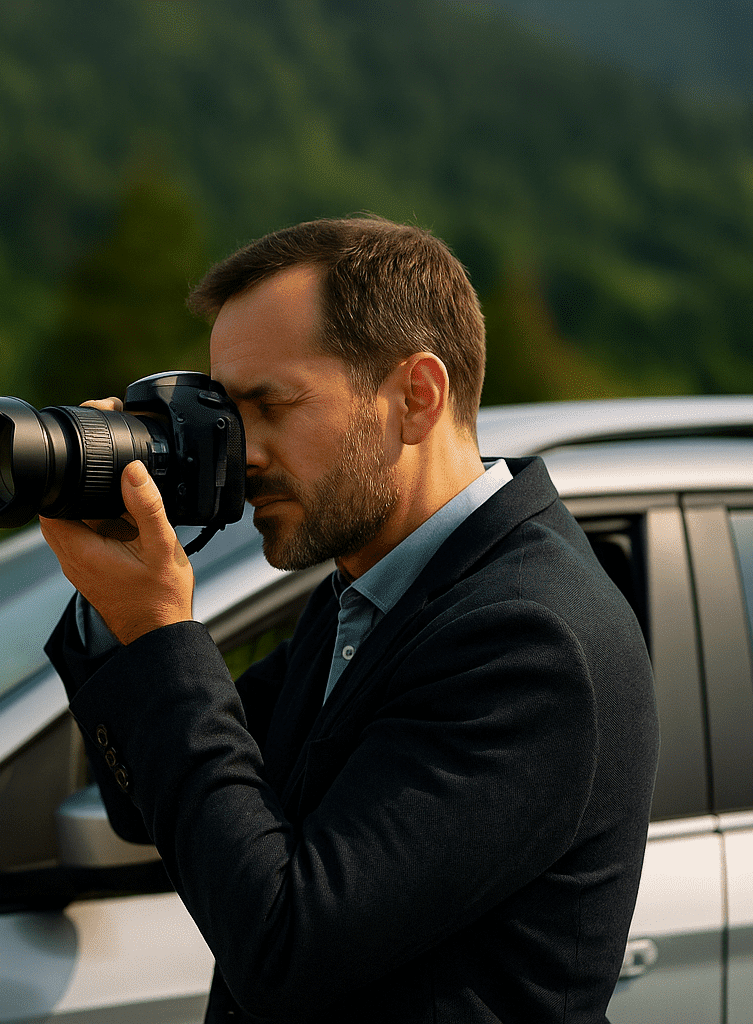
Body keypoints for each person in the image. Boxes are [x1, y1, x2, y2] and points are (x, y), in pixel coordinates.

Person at [38, 216, 658, 1023]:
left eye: (272, 405)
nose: (241, 454)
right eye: (225, 415)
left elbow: (285, 943)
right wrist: (114, 607)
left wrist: (161, 633)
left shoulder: (527, 639)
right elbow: (157, 803)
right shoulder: (376, 594)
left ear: (416, 397)